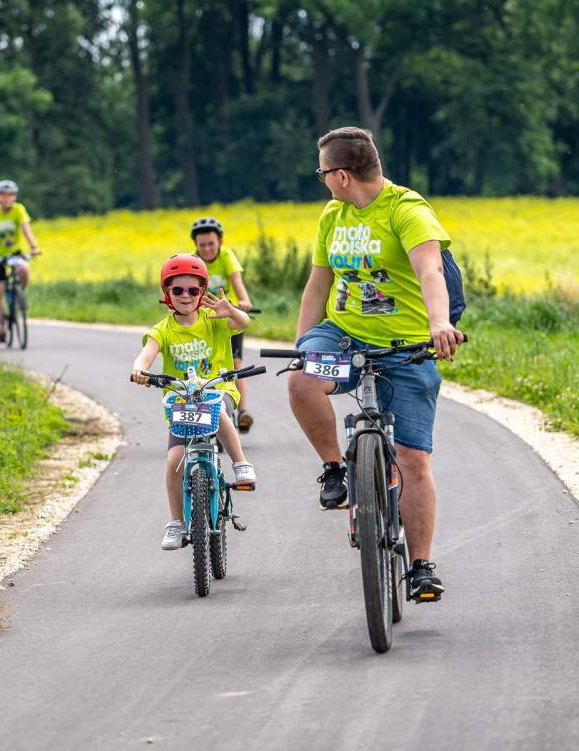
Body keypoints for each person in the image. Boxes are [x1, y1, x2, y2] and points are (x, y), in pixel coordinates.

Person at [288, 126, 465, 600]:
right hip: (343, 336)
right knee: (302, 380)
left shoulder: (407, 211)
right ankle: (334, 468)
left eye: (322, 172)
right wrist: (303, 343)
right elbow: (318, 285)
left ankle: (421, 565)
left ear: (342, 175)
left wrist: (439, 323)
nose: (321, 179)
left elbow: (430, 270)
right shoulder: (333, 214)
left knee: (412, 459)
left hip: (406, 345)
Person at [132, 254, 257, 551]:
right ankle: (176, 522)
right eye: (178, 290)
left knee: (217, 407)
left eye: (192, 290)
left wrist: (231, 311)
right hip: (181, 401)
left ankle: (241, 463)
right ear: (167, 294)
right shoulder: (162, 329)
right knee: (175, 462)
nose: (185, 296)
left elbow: (245, 322)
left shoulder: (214, 320)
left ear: (202, 292)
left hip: (218, 387)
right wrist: (139, 370)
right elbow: (147, 354)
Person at [190, 217, 256, 433]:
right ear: (196, 246)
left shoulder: (227, 256)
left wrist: (243, 302)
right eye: (202, 245)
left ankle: (243, 411)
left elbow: (236, 281)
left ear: (220, 242)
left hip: (228, 317)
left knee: (235, 365)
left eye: (211, 243)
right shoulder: (193, 262)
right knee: (204, 365)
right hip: (204, 320)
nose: (207, 249)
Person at [0, 179, 41, 343]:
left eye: (9, 195)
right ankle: (0, 326)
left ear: (14, 197)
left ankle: (18, 295)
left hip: (14, 252)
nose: (6, 199)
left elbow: (26, 229)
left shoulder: (19, 210)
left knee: (24, 270)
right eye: (3, 195)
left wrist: (34, 247)